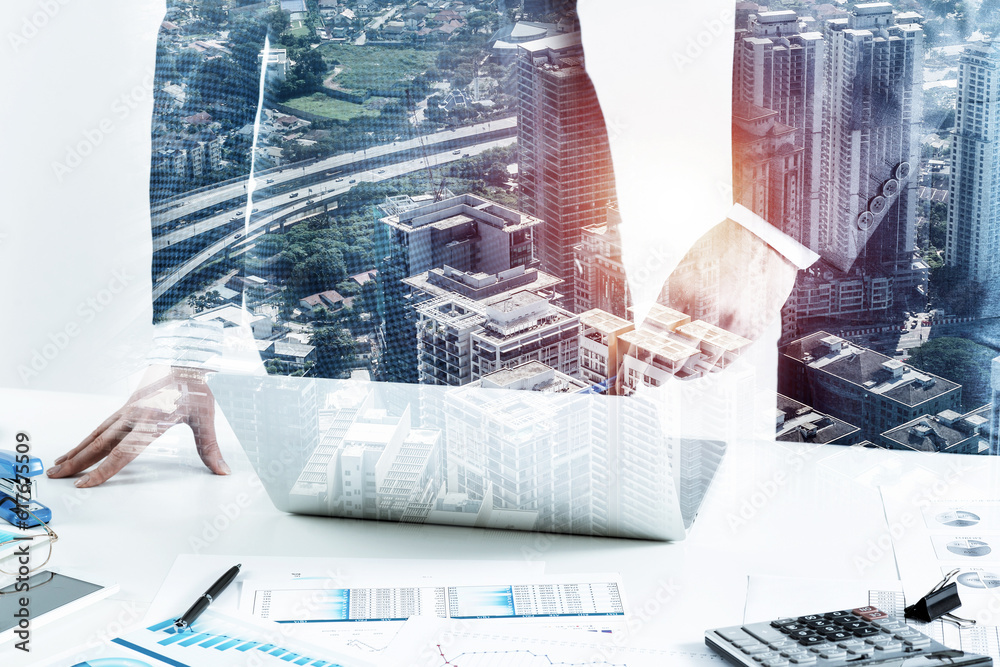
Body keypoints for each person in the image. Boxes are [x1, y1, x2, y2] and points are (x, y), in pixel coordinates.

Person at [48, 0, 805, 488]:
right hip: (409, 340)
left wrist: (771, 230)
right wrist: (194, 343)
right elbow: (217, 26)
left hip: (662, 231)